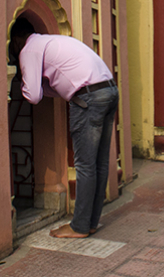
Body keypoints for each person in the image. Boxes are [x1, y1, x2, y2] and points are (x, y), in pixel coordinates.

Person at [9, 18, 118, 238]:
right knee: (99, 162)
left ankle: (79, 226)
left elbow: (33, 96)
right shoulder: (51, 41)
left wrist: (20, 83)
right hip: (108, 89)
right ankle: (90, 222)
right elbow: (59, 85)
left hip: (87, 98)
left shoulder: (28, 50)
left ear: (17, 41)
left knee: (85, 165)